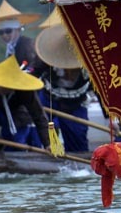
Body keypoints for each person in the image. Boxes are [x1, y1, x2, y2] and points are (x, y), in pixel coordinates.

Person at [0, 0, 44, 146]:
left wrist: (24, 75)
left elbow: (34, 66)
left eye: (8, 31)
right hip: (17, 93)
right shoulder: (10, 48)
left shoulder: (28, 44)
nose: (5, 35)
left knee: (29, 125)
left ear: (18, 29)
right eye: (1, 32)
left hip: (32, 90)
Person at [34, 23, 92, 152]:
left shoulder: (91, 62)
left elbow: (103, 90)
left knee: (78, 141)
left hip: (76, 105)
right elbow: (31, 77)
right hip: (48, 101)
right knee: (40, 136)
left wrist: (111, 118)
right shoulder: (46, 57)